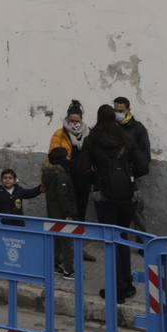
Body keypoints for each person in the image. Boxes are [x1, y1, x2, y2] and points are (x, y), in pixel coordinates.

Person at [88, 104, 139, 303]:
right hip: (126, 195)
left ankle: (115, 289)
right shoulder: (125, 138)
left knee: (110, 240)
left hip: (105, 196)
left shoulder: (92, 139)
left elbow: (84, 168)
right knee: (123, 237)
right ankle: (127, 284)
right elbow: (141, 164)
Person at [49, 101, 97, 262]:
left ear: (81, 120)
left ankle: (79, 249)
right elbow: (54, 156)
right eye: (72, 121)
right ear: (67, 119)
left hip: (83, 182)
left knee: (80, 216)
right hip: (66, 182)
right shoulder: (59, 134)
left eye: (77, 121)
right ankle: (62, 253)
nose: (74, 124)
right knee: (65, 216)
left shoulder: (88, 134)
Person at [112, 96, 152, 231]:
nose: (118, 113)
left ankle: (143, 245)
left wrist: (132, 174)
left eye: (121, 110)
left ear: (128, 110)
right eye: (115, 110)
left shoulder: (138, 129)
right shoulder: (111, 126)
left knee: (136, 213)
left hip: (131, 178)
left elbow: (145, 156)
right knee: (116, 215)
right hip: (113, 177)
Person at [42, 147, 79, 278]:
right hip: (62, 215)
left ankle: (54, 264)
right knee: (67, 243)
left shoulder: (48, 174)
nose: (68, 159)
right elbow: (62, 196)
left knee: (57, 240)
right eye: (66, 156)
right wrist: (69, 213)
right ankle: (68, 271)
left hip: (53, 214)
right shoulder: (61, 176)